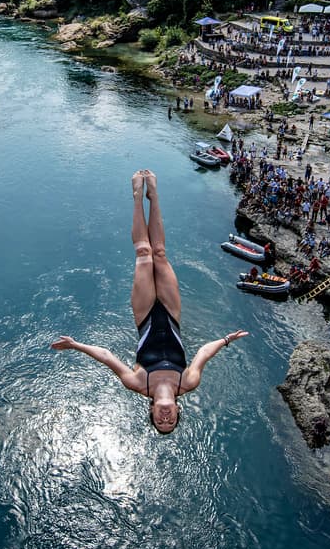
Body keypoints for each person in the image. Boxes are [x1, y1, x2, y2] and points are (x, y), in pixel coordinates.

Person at [52, 171, 248, 434]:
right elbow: (203, 353)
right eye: (170, 421)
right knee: (159, 253)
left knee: (144, 253)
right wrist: (225, 341)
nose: (165, 417)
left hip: (144, 313)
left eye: (160, 420)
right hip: (170, 312)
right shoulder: (188, 381)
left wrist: (76, 345)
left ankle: (136, 198)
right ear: (178, 411)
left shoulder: (137, 383)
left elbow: (108, 357)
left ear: (152, 411)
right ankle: (153, 195)